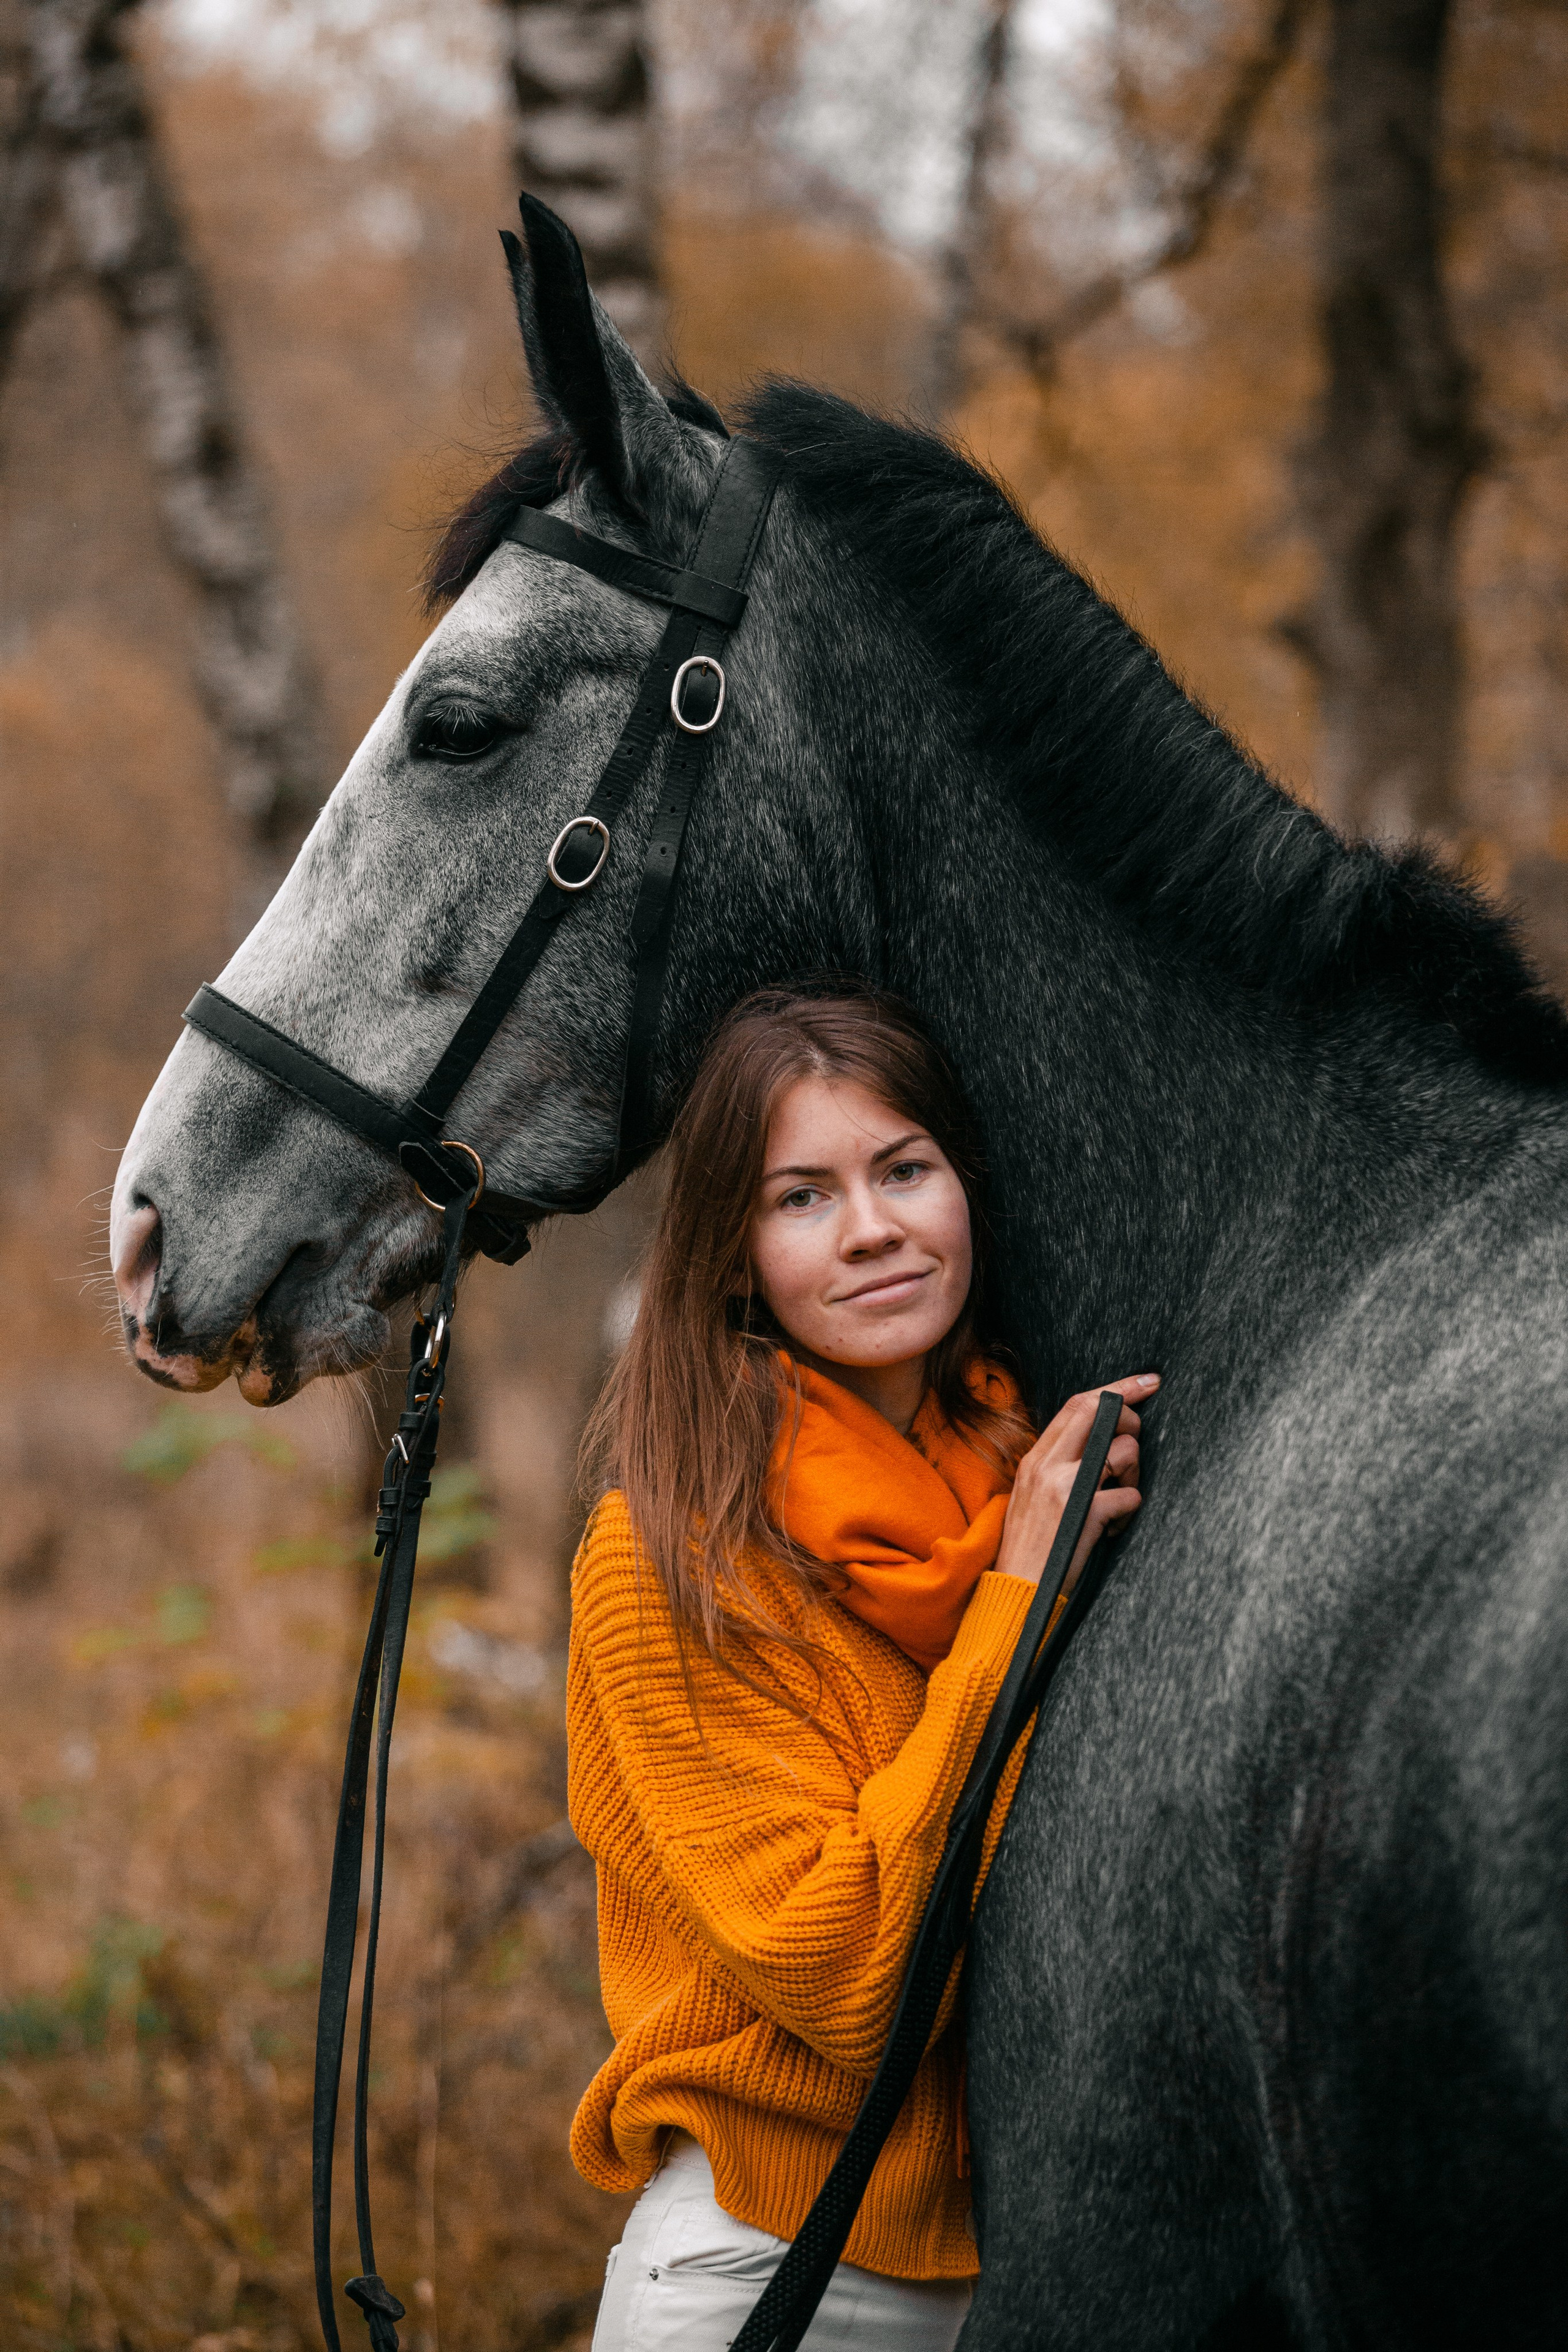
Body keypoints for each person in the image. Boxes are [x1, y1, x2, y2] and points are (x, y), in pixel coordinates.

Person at [570, 984, 1158, 2351]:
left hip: (1042, 2276)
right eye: (800, 1197)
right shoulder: (667, 1560)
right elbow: (845, 1976)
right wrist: (1014, 1600)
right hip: (769, 2278)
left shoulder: (1034, 1471)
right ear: (734, 1253)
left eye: (902, 1169)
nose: (872, 1229)